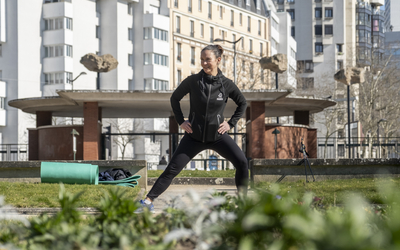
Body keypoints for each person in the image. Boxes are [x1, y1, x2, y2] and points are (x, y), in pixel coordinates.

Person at [135, 44, 248, 213]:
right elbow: (175, 98)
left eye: (207, 60)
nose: (203, 63)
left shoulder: (226, 85)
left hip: (218, 137)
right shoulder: (193, 81)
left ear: (218, 60)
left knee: (242, 162)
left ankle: (244, 204)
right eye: (201, 60)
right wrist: (181, 121)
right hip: (194, 137)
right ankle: (148, 201)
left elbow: (242, 103)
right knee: (172, 169)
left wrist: (230, 123)